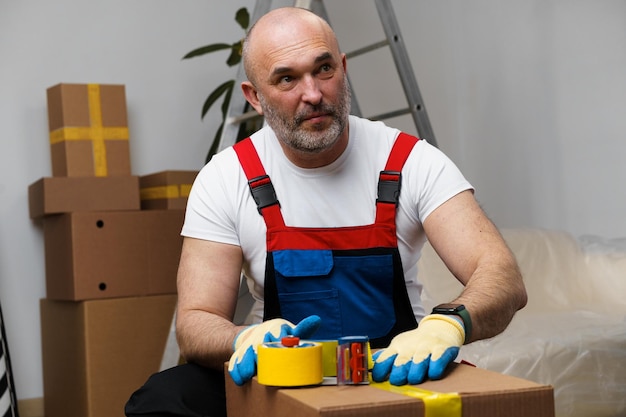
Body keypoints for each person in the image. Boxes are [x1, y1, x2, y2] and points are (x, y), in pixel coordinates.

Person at [125, 6, 527, 417]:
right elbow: (196, 320)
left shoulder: (410, 160)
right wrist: (242, 340)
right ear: (254, 97)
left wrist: (449, 324)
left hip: (395, 375)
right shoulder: (227, 176)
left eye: (323, 69)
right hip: (280, 379)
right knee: (164, 399)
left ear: (343, 68)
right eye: (287, 78)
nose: (313, 94)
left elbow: (501, 275)